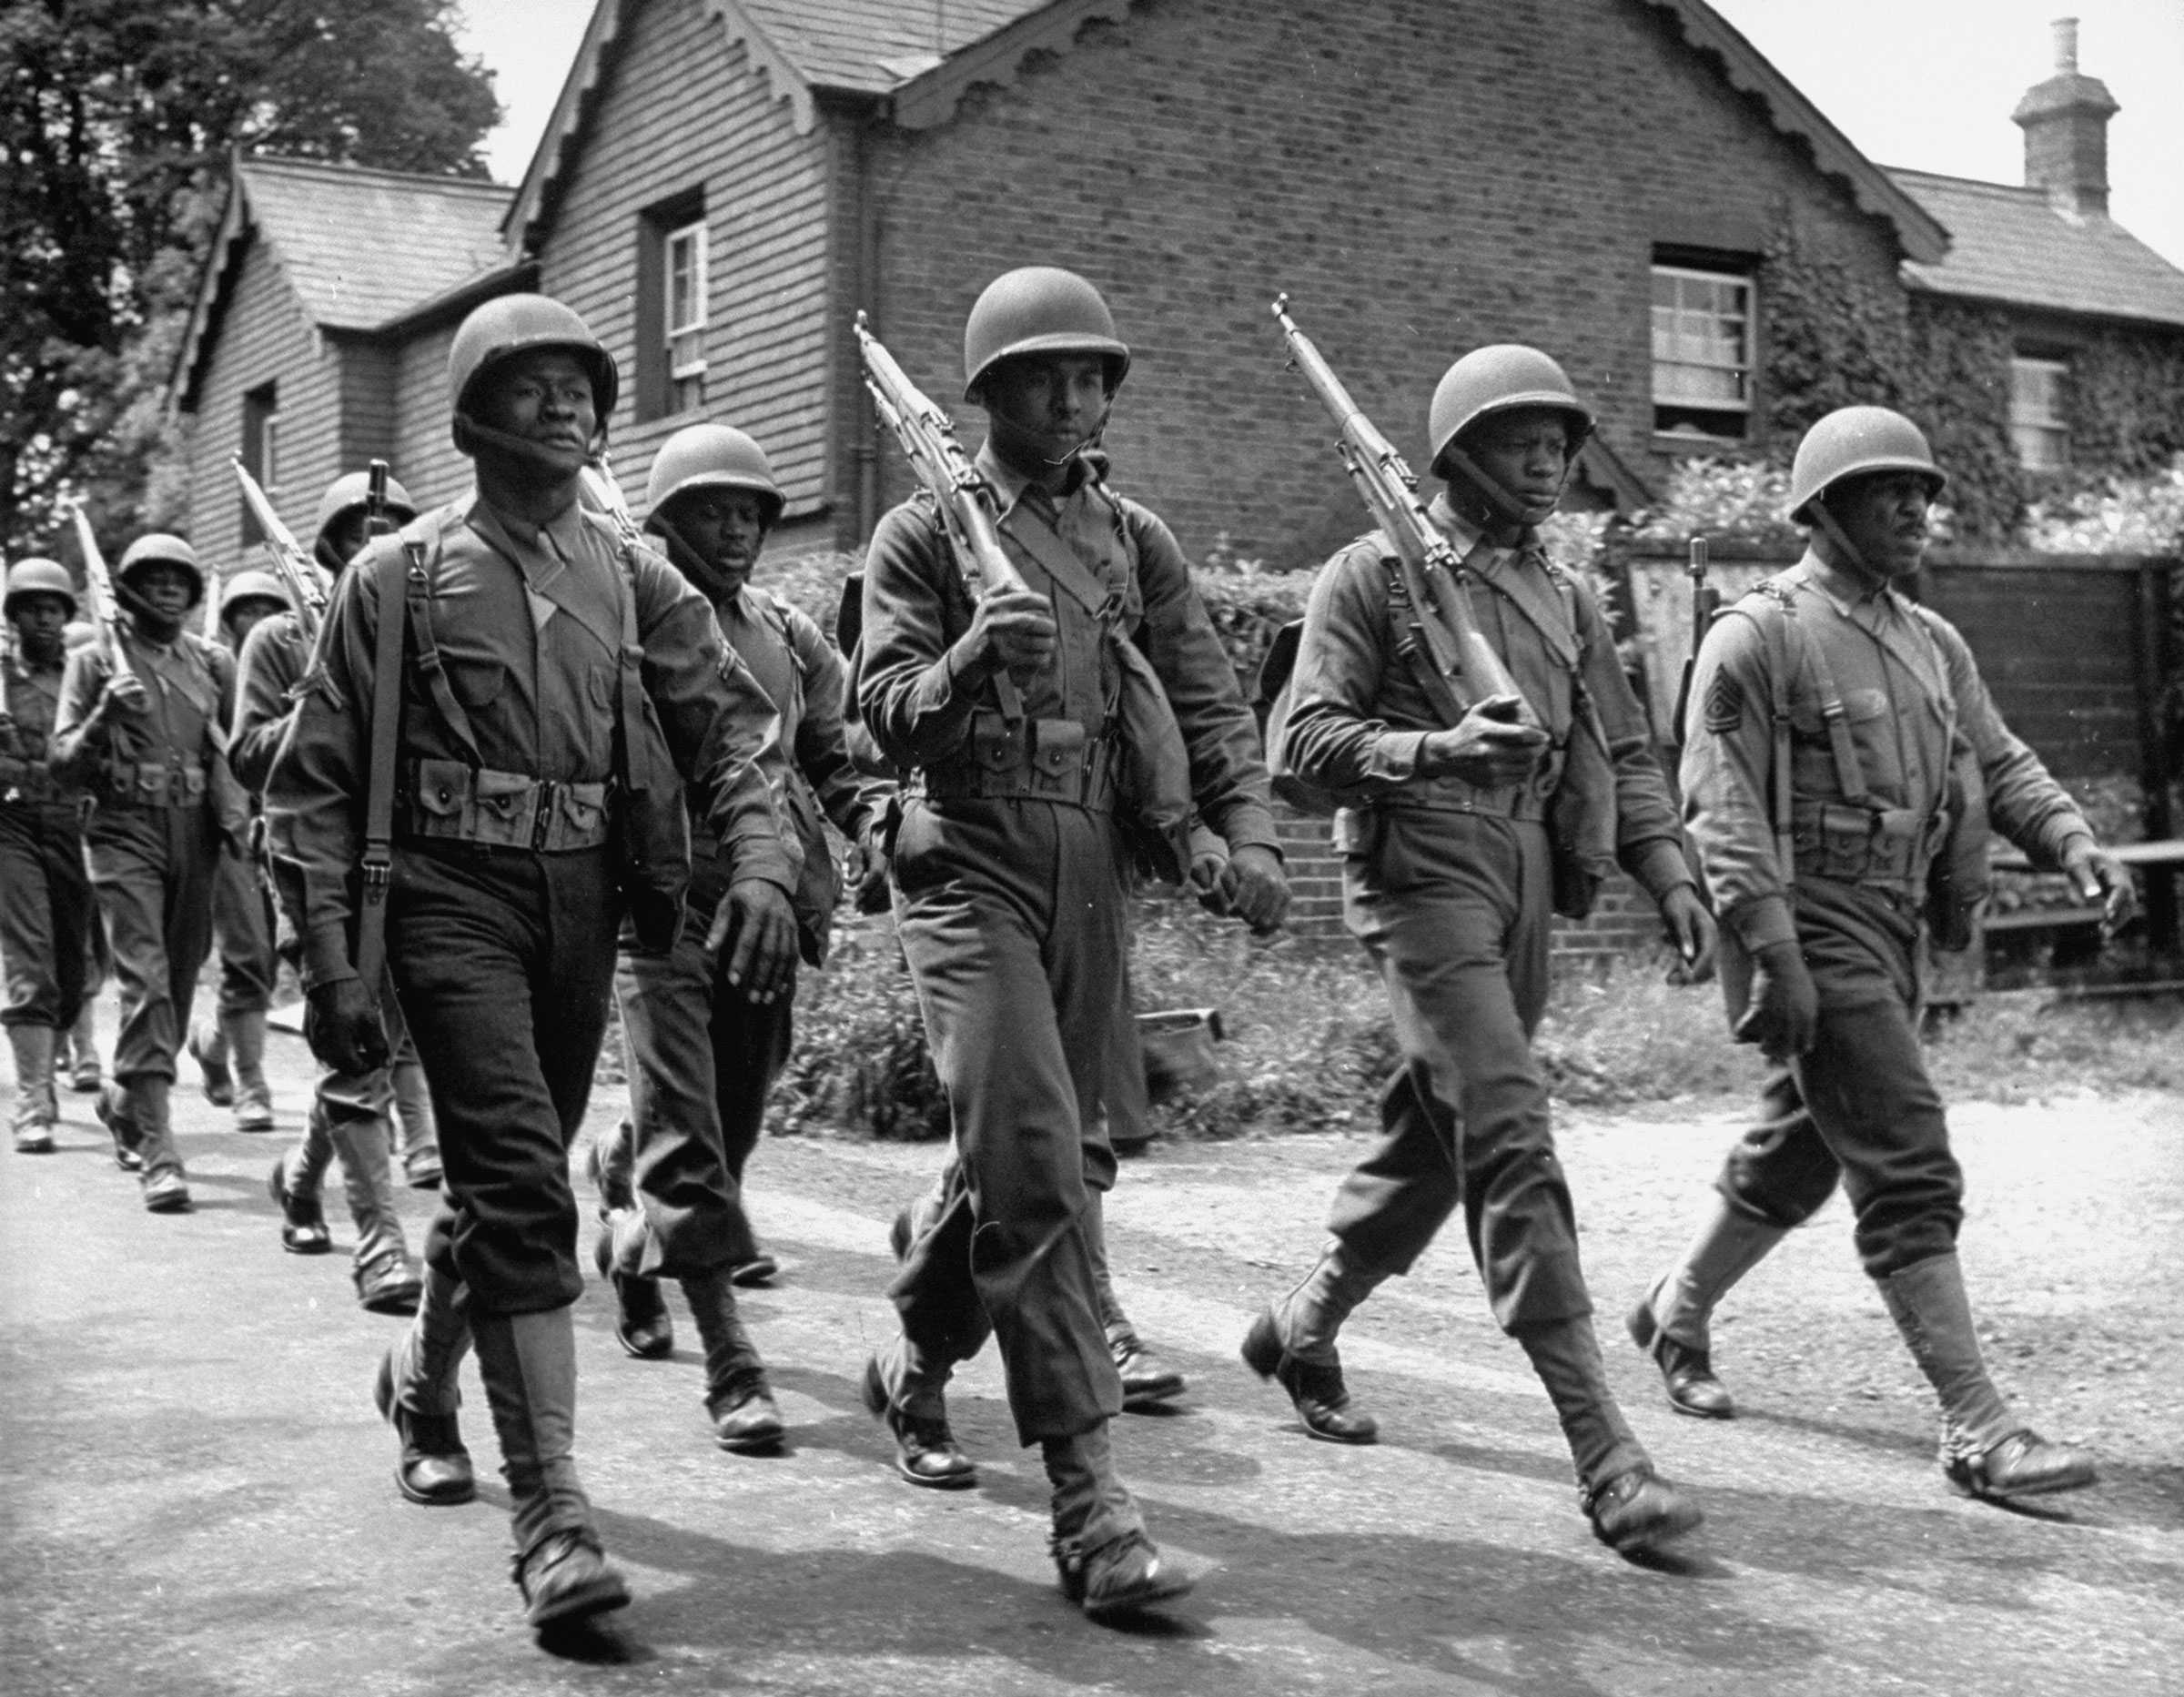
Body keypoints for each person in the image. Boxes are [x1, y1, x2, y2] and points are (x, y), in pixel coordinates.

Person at [264, 292, 800, 1631]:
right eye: (535, 382)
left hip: (584, 895)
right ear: (474, 413)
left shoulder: (634, 572)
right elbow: (312, 786)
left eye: (583, 385)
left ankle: (424, 1383)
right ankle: (553, 1512)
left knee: (514, 1182)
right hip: (447, 897)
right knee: (516, 1174)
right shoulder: (396, 577)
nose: (568, 404)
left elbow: (732, 732)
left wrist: (767, 864)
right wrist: (332, 966)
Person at [857, 266, 1288, 1621]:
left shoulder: (1133, 540)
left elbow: (1209, 703)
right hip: (966, 859)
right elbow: (882, 715)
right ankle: (1091, 1504)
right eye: (1046, 375)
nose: (1075, 396)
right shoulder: (923, 533)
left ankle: (916, 1365)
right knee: (1040, 1165)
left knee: (1058, 1158)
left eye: (1094, 374)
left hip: (1091, 860)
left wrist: (1247, 834)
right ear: (985, 395)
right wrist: (971, 660)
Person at [1243, 345, 1715, 1559]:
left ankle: (1304, 1324)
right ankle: (1606, 1452)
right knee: (1507, 1116)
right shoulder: (1373, 575)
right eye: (1522, 441)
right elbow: (1299, 751)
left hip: (1524, 878)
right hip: (1420, 869)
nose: (1551, 459)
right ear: (1453, 457)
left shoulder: (1565, 593)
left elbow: (1627, 750)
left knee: (1442, 1133)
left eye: (1561, 439)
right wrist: (1438, 750)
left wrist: (1669, 874)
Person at [1632, 405, 2134, 1503]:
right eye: (1886, 490)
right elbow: (1718, 807)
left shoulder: (1929, 638)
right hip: (1808, 919)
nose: (1915, 507)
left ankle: (1673, 1308)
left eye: (1923, 489)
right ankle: (1978, 1425)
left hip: (1896, 922)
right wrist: (1771, 949)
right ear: (1824, 507)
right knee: (1905, 1150)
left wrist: (2072, 838)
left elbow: (1998, 764)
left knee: (1806, 1141)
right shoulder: (1754, 634)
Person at [585, 421, 894, 1457]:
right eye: (712, 511)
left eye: (752, 511)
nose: (737, 529)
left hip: (766, 901)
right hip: (657, 898)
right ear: (662, 525)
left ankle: (631, 1231)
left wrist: (878, 829)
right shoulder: (623, 619)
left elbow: (838, 758)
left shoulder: (792, 637)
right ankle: (731, 1359)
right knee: (690, 1123)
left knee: (737, 1111)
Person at [231, 474, 434, 1315]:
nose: (372, 545)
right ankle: (381, 1242)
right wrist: (318, 697)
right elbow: (249, 755)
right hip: (321, 860)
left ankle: (300, 1177)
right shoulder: (280, 638)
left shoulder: (426, 625)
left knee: (376, 1046)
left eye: (389, 531)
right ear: (329, 545)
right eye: (358, 532)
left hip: (414, 860)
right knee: (351, 1043)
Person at [52, 533, 247, 1211]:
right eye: (152, 577)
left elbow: (231, 751)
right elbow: (61, 761)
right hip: (121, 827)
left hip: (194, 830)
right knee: (147, 979)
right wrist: (106, 713)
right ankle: (161, 1150)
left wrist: (238, 818)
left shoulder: (211, 664)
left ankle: (123, 1096)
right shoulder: (92, 662)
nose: (167, 588)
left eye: (178, 579)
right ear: (128, 589)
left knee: (185, 973)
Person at [187, 570, 289, 1133]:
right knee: (249, 953)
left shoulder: (291, 662)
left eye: (268, 610)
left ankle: (215, 1040)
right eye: (246, 612)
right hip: (233, 826)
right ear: (228, 621)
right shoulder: (211, 669)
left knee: (279, 956)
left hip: (291, 826)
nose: (259, 622)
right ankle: (252, 1081)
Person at [2, 560, 96, 1154]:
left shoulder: (82, 676)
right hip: (9, 826)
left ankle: (58, 1051)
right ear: (13, 616)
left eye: (54, 607)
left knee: (70, 963)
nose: (44, 616)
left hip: (70, 826)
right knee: (29, 956)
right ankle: (32, 1097)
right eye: (32, 607)